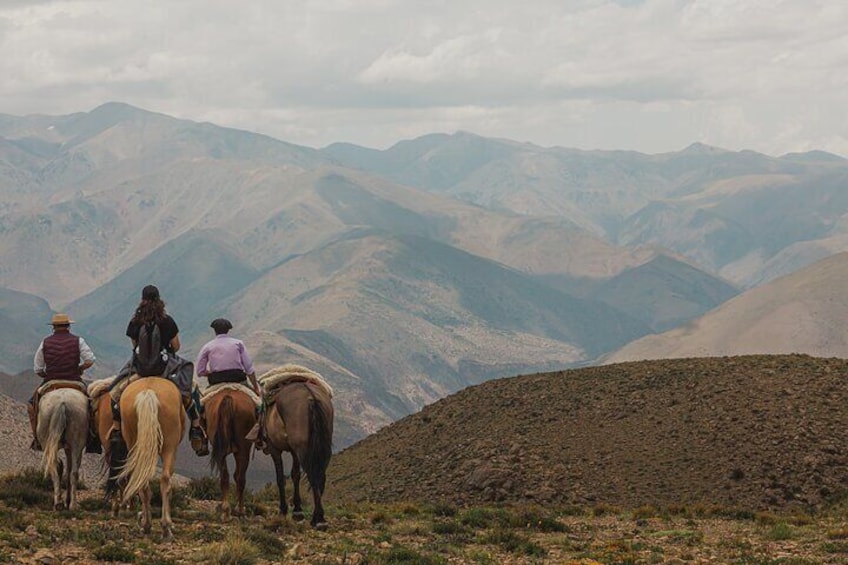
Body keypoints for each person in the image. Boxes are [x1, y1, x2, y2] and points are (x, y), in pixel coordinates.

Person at [110, 285, 208, 456]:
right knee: (191, 390)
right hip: (165, 368)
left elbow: (134, 346)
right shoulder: (167, 320)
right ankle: (196, 427)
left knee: (115, 393)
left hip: (140, 368)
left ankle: (117, 430)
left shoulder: (135, 320)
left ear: (142, 299)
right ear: (159, 299)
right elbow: (176, 346)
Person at [30, 313, 99, 452]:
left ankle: (38, 439)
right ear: (68, 326)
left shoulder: (45, 342)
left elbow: (37, 368)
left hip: (51, 380)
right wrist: (80, 368)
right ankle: (92, 437)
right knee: (92, 405)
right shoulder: (78, 341)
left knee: (32, 405)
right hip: (74, 380)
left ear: (53, 327)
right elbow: (90, 359)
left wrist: (47, 374)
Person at [196, 318, 264, 448]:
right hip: (238, 380)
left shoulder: (208, 346)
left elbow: (200, 370)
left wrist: (208, 372)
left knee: (201, 407)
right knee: (259, 407)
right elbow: (249, 367)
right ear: (229, 330)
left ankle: (202, 436)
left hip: (216, 382)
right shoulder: (238, 343)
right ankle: (259, 436)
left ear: (214, 331)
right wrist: (255, 387)